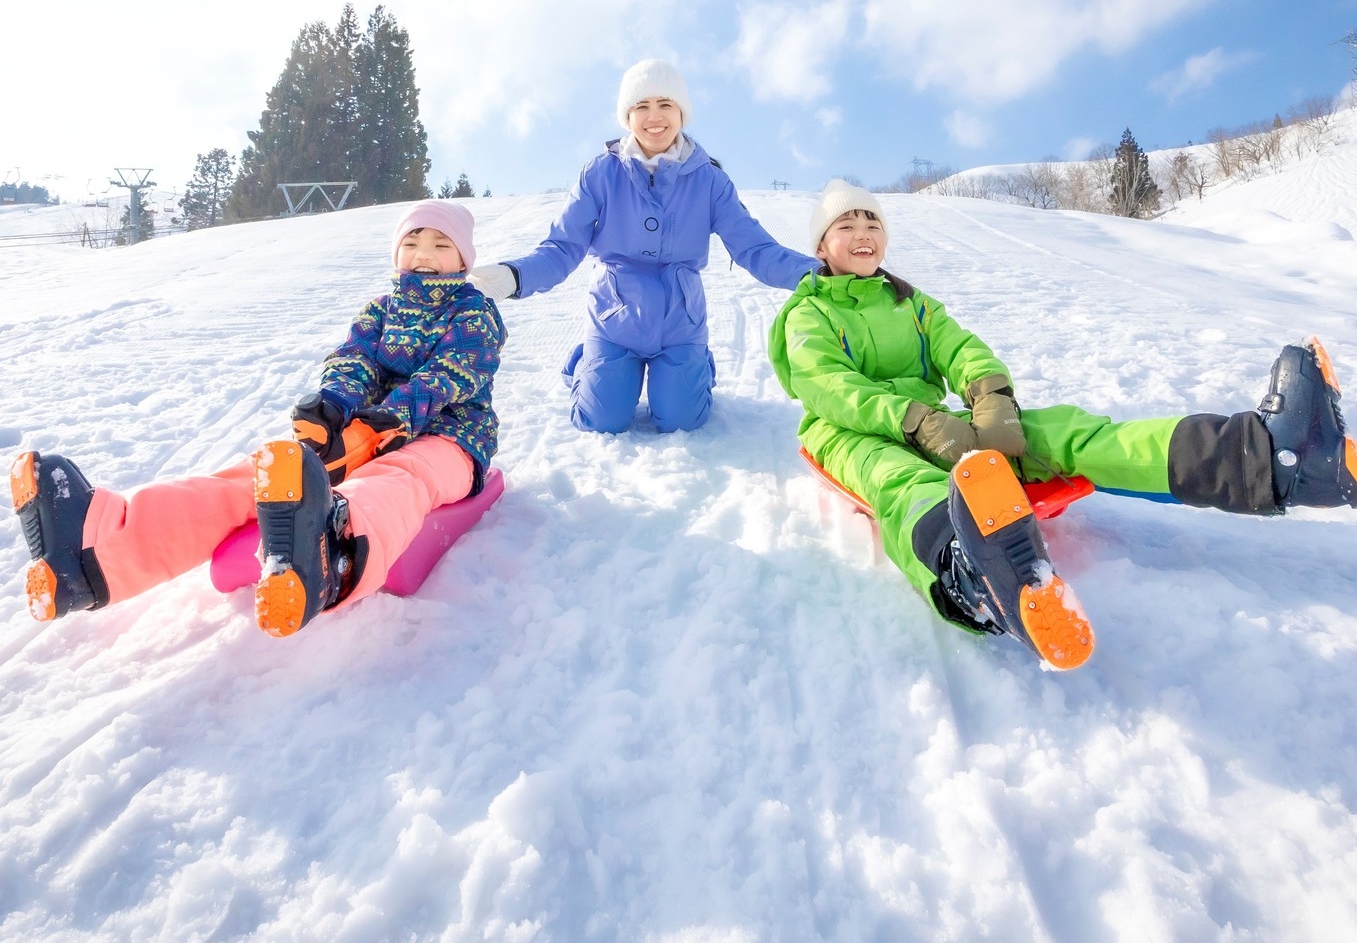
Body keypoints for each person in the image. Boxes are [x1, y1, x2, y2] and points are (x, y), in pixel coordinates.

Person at [769, 180, 1357, 670]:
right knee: (902, 482)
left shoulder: (912, 303)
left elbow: (962, 350)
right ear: (823, 245)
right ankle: (972, 574)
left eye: (872, 221)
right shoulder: (808, 310)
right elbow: (828, 387)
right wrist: (911, 418)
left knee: (1064, 433)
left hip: (940, 423)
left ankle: (1272, 457)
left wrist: (990, 399)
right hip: (851, 432)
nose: (864, 233)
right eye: (847, 224)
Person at [10, 201, 505, 637]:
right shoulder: (380, 309)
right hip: (367, 429)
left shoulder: (474, 313)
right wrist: (333, 404)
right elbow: (353, 359)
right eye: (412, 240)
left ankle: (331, 551)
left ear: (463, 259)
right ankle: (95, 549)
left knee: (398, 477)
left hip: (448, 439)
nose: (423, 252)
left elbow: (450, 375)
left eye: (441, 244)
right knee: (263, 475)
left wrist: (392, 415)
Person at [471, 59, 817, 434]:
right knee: (601, 420)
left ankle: (699, 363)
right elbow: (563, 246)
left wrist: (818, 274)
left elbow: (754, 247)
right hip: (614, 319)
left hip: (681, 322)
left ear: (682, 112)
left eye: (665, 104)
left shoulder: (710, 180)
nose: (654, 117)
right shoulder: (601, 173)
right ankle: (587, 363)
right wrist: (514, 275)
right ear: (628, 116)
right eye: (642, 106)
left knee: (682, 419)